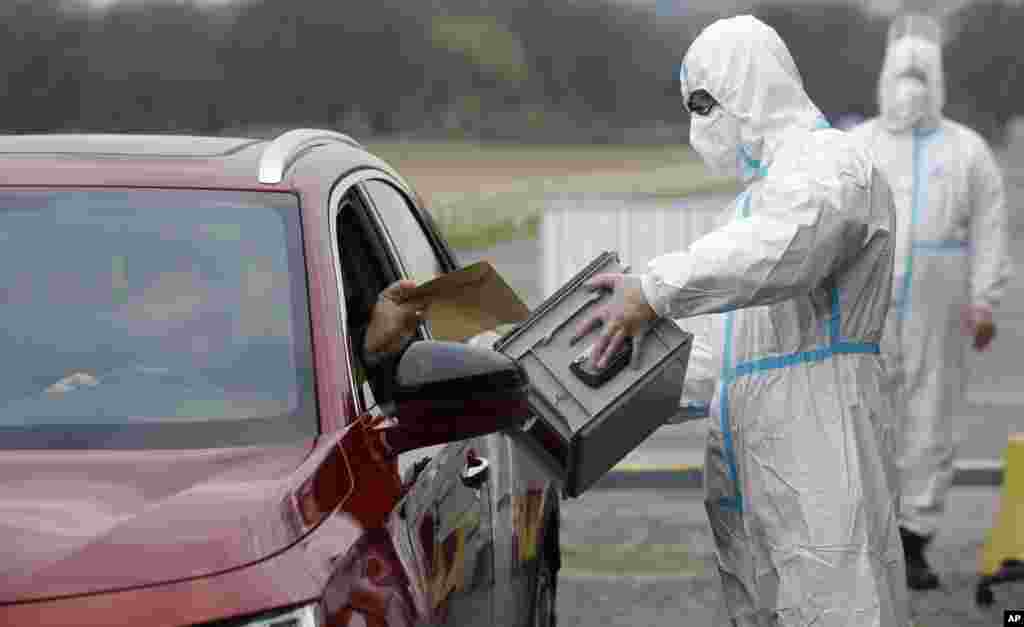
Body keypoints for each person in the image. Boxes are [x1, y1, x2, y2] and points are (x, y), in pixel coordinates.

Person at [572, 15, 910, 625]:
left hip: (820, 431)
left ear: (749, 87)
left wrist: (653, 289)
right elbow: (727, 355)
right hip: (754, 442)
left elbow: (793, 248)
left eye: (705, 104)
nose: (698, 125)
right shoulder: (755, 200)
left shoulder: (831, 164)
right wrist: (609, 383)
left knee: (840, 599)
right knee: (767, 607)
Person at [849, 13, 1012, 590]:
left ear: (938, 79)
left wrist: (984, 299)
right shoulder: (856, 146)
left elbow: (991, 228)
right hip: (867, 295)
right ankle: (867, 537)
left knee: (931, 413)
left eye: (922, 74)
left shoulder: (966, 151)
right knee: (866, 411)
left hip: (939, 301)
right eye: (902, 74)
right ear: (884, 77)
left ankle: (913, 537)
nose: (911, 86)